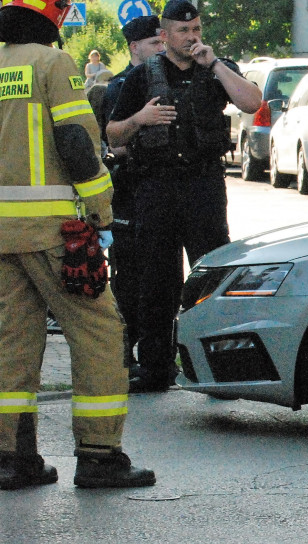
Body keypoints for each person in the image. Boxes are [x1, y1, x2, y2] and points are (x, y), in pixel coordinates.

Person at [0, 0, 155, 490]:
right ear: (50, 16)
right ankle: (99, 455)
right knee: (101, 333)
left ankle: (12, 458)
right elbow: (74, 142)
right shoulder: (52, 63)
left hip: (3, 234)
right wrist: (100, 209)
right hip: (53, 232)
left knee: (13, 342)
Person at [106, 0, 261, 393]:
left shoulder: (216, 69)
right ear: (165, 35)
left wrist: (216, 65)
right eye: (183, 32)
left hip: (204, 187)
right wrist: (140, 120)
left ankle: (222, 369)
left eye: (196, 31)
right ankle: (156, 368)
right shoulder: (142, 78)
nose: (192, 38)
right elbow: (113, 134)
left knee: (214, 280)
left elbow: (251, 102)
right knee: (157, 282)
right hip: (156, 188)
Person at [100, 14, 163, 371]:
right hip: (129, 191)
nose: (160, 49)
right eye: (154, 43)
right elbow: (115, 144)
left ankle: (157, 359)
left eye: (163, 42)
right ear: (134, 46)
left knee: (160, 279)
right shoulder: (119, 85)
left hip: (161, 191)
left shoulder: (170, 78)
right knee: (129, 280)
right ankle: (124, 358)